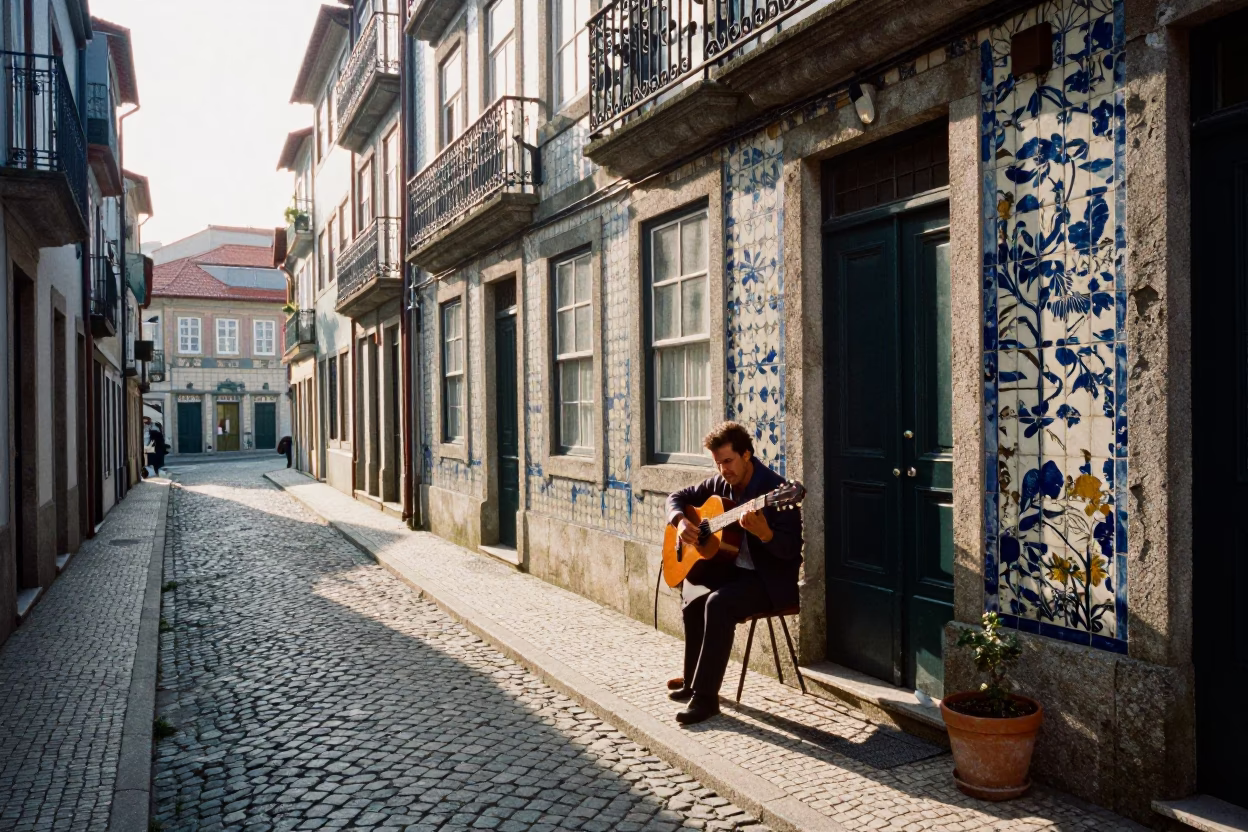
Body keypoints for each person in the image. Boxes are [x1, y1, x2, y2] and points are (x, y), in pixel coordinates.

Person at [664, 421, 803, 725]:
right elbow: (676, 497)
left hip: (768, 582)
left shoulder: (776, 491)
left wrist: (766, 534)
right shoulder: (719, 485)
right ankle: (691, 681)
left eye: (729, 461)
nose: (724, 469)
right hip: (732, 572)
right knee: (693, 590)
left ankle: (706, 700)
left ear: (747, 455)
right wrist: (680, 522)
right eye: (718, 463)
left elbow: (792, 550)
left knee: (718, 603)